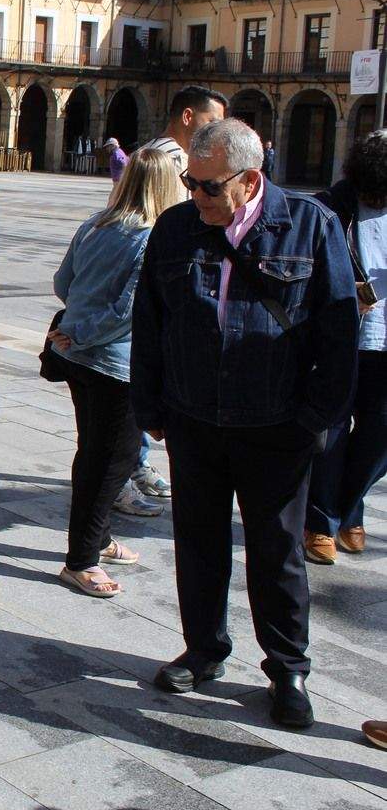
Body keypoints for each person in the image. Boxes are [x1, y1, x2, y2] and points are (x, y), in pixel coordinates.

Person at [131, 118, 358, 729]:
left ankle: (288, 668)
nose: (194, 195)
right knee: (198, 542)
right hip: (195, 418)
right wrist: (150, 406)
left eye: (206, 186)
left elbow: (340, 337)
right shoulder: (176, 227)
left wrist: (314, 419)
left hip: (275, 424)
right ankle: (204, 650)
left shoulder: (312, 227)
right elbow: (150, 321)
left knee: (278, 550)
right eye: (188, 182)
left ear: (251, 179)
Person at [48, 149, 185, 597]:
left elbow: (63, 283)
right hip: (114, 363)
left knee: (93, 450)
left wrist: (74, 329)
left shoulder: (95, 223)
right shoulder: (151, 236)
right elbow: (128, 309)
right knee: (114, 460)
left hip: (77, 358)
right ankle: (81, 560)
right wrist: (85, 332)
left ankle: (99, 539)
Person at [119, 85, 231, 516]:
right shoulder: (174, 159)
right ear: (188, 116)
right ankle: (131, 467)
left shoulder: (148, 150)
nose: (215, 131)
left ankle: (135, 464)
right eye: (210, 122)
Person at [305, 131, 387, 564]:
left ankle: (345, 507)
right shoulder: (332, 207)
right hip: (347, 335)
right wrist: (343, 286)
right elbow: (311, 267)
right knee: (332, 432)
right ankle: (320, 522)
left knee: (380, 435)